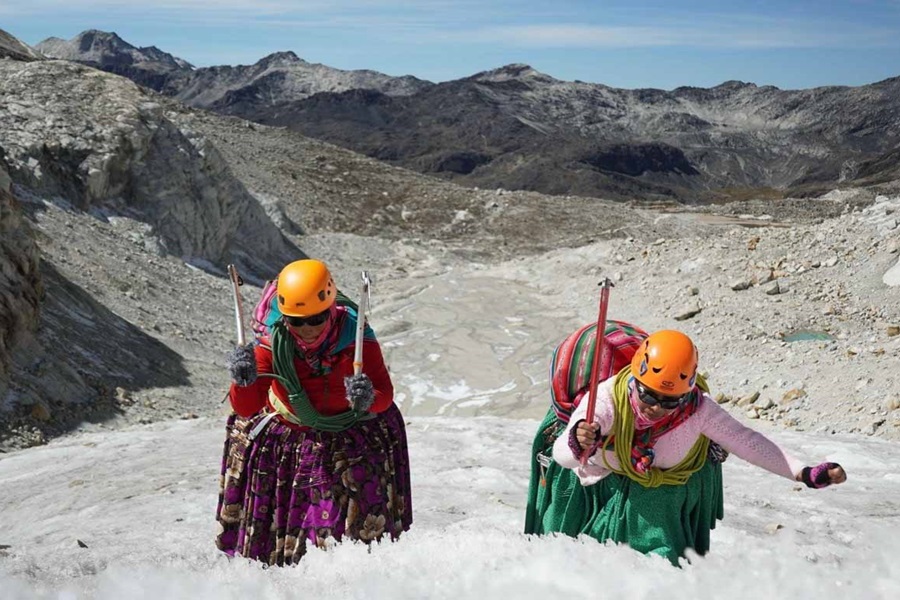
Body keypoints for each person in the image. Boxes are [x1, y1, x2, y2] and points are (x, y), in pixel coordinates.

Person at [528, 327, 846, 565]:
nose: (655, 407)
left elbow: (746, 441)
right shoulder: (607, 398)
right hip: (596, 480)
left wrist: (803, 473)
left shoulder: (698, 410)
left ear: (688, 391)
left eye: (670, 401)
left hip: (662, 485)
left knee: (660, 557)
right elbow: (563, 456)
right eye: (648, 395)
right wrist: (578, 441)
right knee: (571, 551)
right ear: (634, 380)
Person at [216, 259, 412, 565]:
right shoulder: (271, 345)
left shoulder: (357, 339)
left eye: (317, 318)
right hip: (293, 440)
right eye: (296, 321)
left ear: (332, 309)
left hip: (350, 436)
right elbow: (247, 406)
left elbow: (383, 396)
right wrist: (243, 379)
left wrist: (365, 397)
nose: (306, 330)